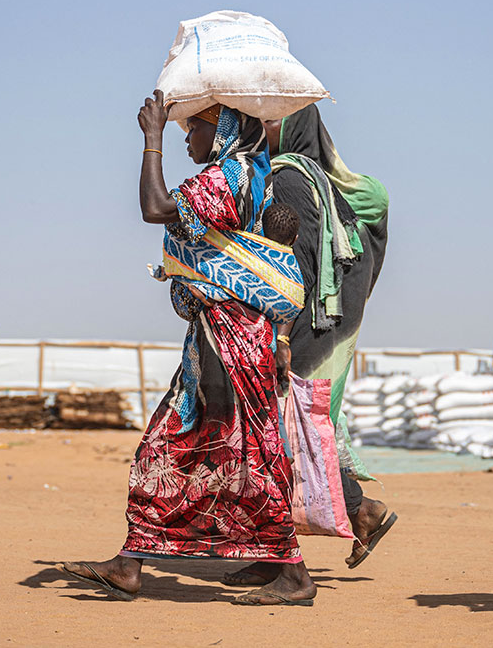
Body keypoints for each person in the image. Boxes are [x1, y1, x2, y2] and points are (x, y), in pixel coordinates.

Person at [58, 92, 316, 607]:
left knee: (230, 449)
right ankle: (132, 562)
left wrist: (151, 139)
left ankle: (291, 573)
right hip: (220, 334)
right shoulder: (248, 175)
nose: (187, 142)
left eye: (192, 132)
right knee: (190, 445)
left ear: (220, 131)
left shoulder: (231, 177)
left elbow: (156, 208)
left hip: (232, 338)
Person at [221, 104, 395, 587]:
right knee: (288, 438)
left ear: (296, 126)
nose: (259, 128)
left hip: (300, 333)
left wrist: (280, 336)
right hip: (319, 328)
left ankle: (359, 514)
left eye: (271, 120)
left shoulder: (292, 181)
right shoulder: (323, 182)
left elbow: (290, 269)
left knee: (284, 440)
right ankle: (279, 548)